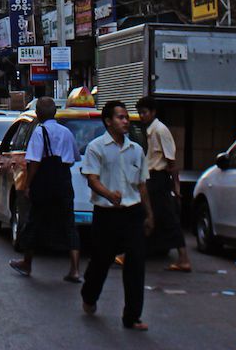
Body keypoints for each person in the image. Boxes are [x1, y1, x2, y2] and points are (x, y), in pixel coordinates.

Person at [80, 100, 153, 331]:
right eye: (120, 117)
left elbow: (142, 185)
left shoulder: (137, 150)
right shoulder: (96, 147)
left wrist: (149, 214)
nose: (125, 121)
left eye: (126, 117)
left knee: (136, 263)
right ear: (108, 121)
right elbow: (92, 179)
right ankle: (89, 295)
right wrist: (109, 195)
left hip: (132, 213)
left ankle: (132, 316)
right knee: (101, 260)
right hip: (107, 214)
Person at [8, 97, 81, 282]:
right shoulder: (66, 132)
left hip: (44, 182)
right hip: (64, 180)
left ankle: (27, 262)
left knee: (34, 221)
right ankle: (74, 269)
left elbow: (34, 162)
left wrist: (28, 185)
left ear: (38, 114)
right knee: (69, 223)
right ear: (54, 112)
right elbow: (74, 157)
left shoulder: (40, 132)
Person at [136, 96, 191, 273]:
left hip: (159, 179)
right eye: (140, 113)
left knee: (163, 216)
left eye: (144, 112)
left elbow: (171, 160)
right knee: (152, 215)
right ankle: (135, 252)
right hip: (152, 178)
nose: (142, 116)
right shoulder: (151, 130)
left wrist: (176, 186)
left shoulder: (160, 130)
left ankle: (183, 258)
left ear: (153, 112)